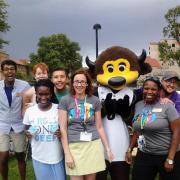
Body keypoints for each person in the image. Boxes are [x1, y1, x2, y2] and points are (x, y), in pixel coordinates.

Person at [58, 68, 113, 180]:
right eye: (77, 81)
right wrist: (67, 153)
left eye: (82, 82)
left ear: (87, 84)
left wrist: (108, 149)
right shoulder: (65, 100)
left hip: (92, 146)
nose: (79, 84)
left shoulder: (95, 100)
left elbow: (99, 127)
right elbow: (63, 129)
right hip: (74, 147)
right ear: (72, 83)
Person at [125, 76, 180, 180]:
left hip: (166, 154)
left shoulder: (167, 106)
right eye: (146, 88)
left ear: (159, 91)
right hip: (144, 154)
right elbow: (137, 130)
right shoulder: (139, 105)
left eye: (153, 89)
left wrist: (170, 159)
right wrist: (129, 149)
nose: (149, 91)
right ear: (143, 89)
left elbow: (177, 132)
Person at [23, 79, 66, 180]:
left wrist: (60, 133)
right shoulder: (30, 111)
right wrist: (27, 133)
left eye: (46, 94)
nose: (43, 97)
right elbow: (26, 128)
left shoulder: (58, 109)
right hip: (38, 156)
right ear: (36, 93)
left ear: (51, 93)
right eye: (40, 94)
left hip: (55, 156)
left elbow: (64, 129)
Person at [0, 59, 30, 180]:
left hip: (18, 125)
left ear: (15, 71)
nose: (9, 72)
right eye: (6, 69)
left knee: (20, 156)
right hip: (2, 125)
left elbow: (29, 104)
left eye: (12, 69)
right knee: (3, 157)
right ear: (2, 71)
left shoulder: (24, 86)